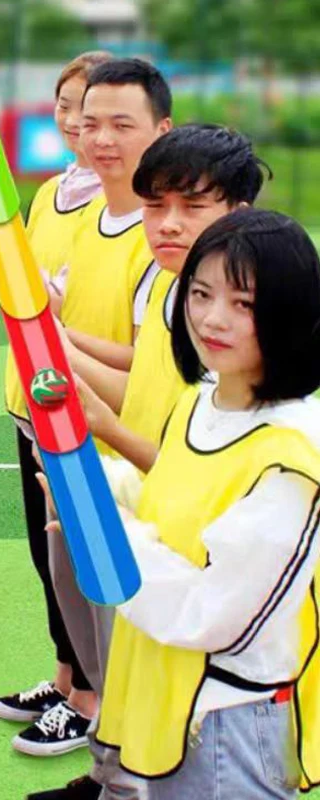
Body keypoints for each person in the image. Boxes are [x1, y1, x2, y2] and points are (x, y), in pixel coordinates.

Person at [47, 208, 320, 799]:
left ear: (292, 312)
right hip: (171, 694)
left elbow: (211, 615)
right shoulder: (203, 399)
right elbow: (171, 505)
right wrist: (95, 487)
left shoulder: (294, 457)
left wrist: (106, 528)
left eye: (244, 303)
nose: (212, 318)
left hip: (230, 720)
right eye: (200, 293)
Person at [15, 58, 172, 769]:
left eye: (120, 124)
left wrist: (58, 347)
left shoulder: (160, 235)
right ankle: (100, 736)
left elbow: (152, 364)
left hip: (123, 446)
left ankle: (115, 741)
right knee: (72, 584)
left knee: (127, 609)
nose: (99, 136)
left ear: (161, 130)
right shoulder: (83, 210)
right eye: (89, 120)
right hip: (67, 427)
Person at [0, 51, 115, 759]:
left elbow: (57, 297)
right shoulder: (51, 192)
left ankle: (90, 699)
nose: (76, 122)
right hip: (27, 395)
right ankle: (67, 678)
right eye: (66, 106)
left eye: (90, 110)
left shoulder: (120, 202)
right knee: (48, 554)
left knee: (78, 553)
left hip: (74, 399)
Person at [72, 124, 270, 476]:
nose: (168, 224)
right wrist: (60, 347)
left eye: (193, 206)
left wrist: (111, 431)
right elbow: (144, 392)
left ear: (239, 214)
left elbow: (202, 476)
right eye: (155, 205)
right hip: (141, 496)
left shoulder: (235, 325)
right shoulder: (166, 279)